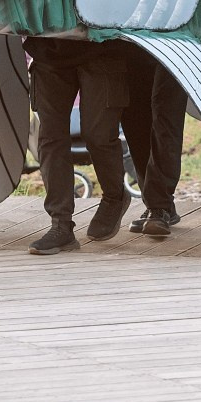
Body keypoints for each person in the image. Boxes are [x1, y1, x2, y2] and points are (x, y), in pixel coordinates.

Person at [26, 36, 133, 254]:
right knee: (50, 137)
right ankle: (61, 225)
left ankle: (115, 196)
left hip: (101, 44)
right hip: (48, 49)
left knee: (98, 135)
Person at [121, 44, 188, 237]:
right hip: (129, 38)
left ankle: (159, 207)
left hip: (175, 40)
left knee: (165, 112)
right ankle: (158, 204)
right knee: (134, 116)